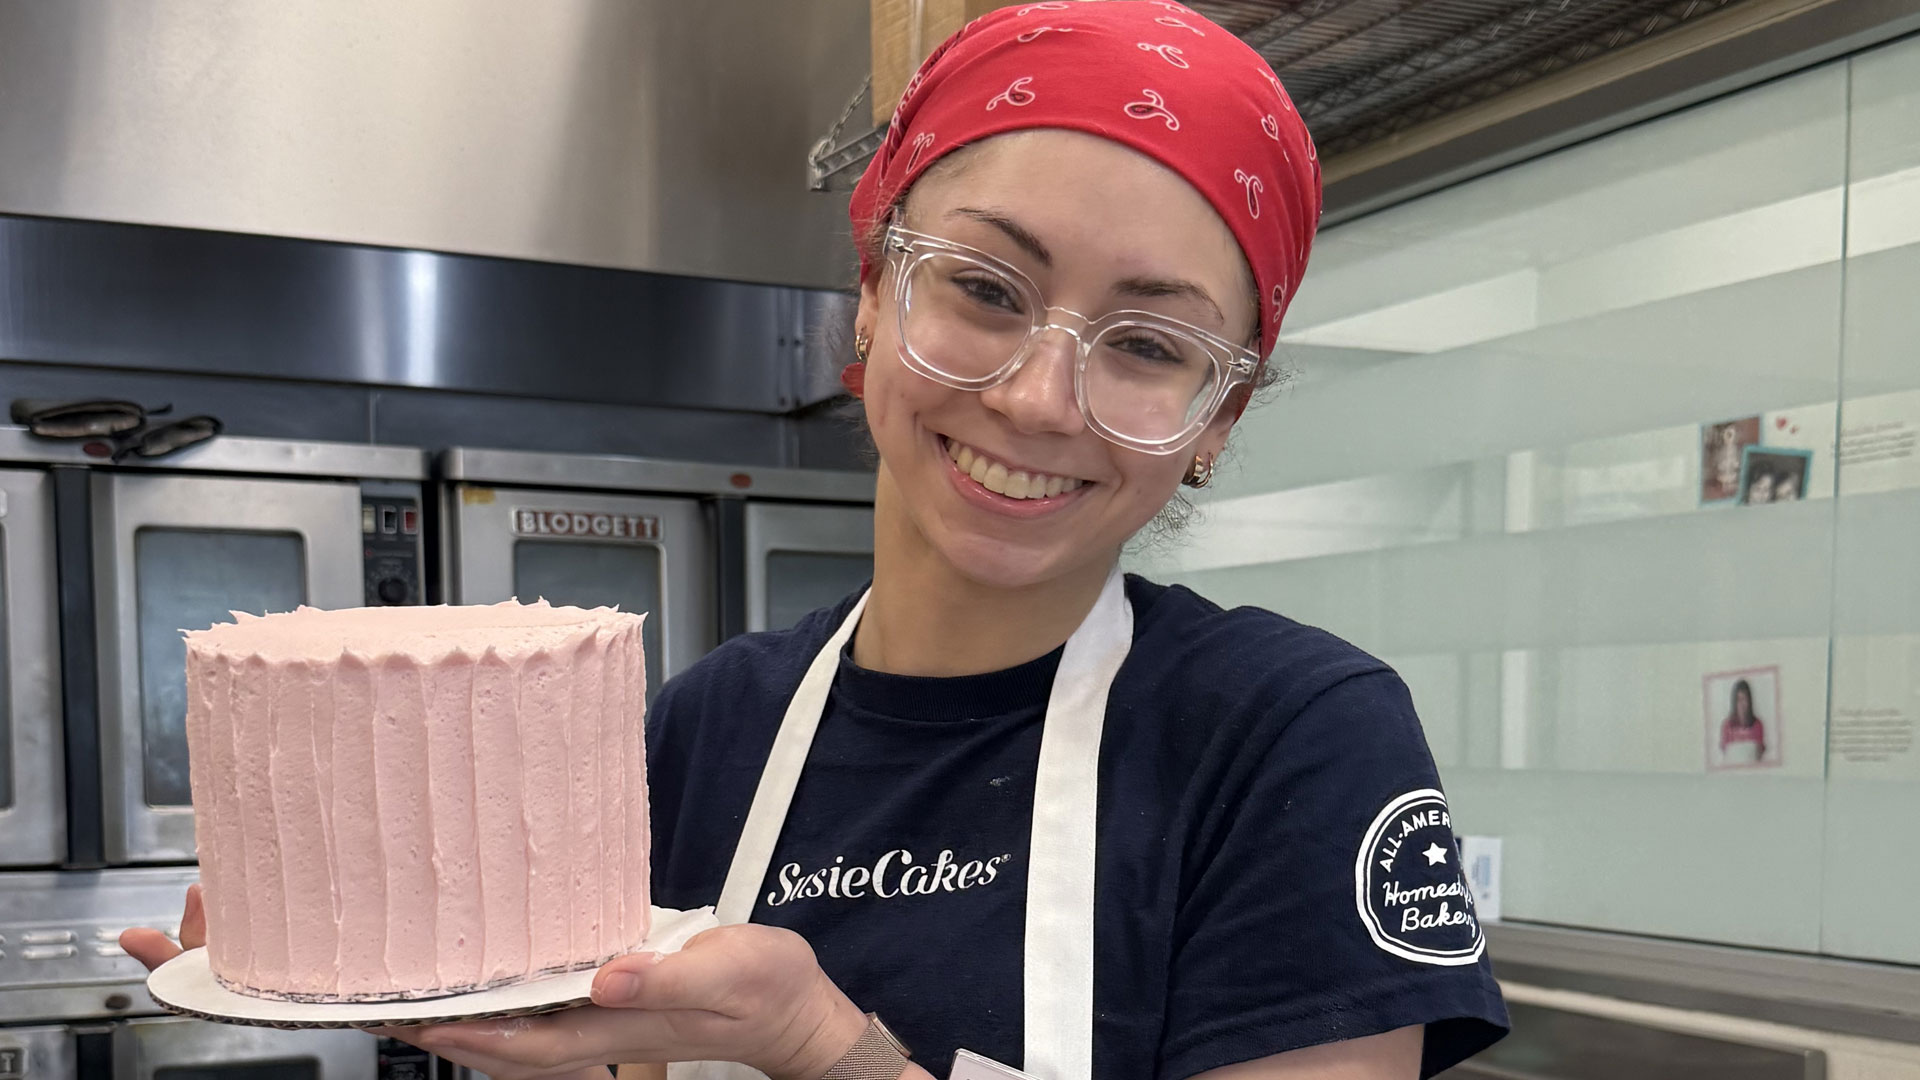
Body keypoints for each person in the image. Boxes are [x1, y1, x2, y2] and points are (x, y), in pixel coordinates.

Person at [124, 5, 1508, 1078]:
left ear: (1216, 416)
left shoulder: (1290, 740)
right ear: (868, 293)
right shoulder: (700, 729)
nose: (1036, 398)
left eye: (1148, 344)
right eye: (983, 286)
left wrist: (818, 1048)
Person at [1718, 679, 1768, 766]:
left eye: (1744, 699)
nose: (1741, 704)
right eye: (1738, 699)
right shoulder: (1727, 726)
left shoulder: (1757, 725)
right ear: (1734, 702)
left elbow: (1760, 754)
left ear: (1749, 701)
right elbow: (1725, 752)